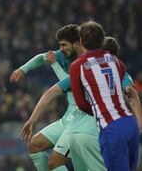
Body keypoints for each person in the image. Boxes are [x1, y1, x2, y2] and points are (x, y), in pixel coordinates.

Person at [21, 36, 141, 171]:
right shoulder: (119, 71)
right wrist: (140, 123)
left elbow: (52, 91)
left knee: (56, 162)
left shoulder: (84, 69)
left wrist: (32, 119)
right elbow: (131, 92)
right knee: (39, 149)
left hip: (87, 124)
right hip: (103, 124)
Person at [70, 21, 139, 170]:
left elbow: (81, 104)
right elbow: (123, 87)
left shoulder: (77, 66)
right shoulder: (116, 60)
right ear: (102, 40)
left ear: (81, 42)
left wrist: (99, 111)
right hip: (130, 123)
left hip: (111, 128)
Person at [11, 24, 80, 171]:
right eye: (59, 45)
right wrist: (23, 68)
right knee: (34, 145)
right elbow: (42, 57)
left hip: (81, 122)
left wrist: (54, 64)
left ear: (76, 44)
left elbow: (72, 85)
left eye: (64, 44)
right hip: (67, 119)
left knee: (56, 162)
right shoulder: (64, 55)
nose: (60, 48)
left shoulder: (84, 62)